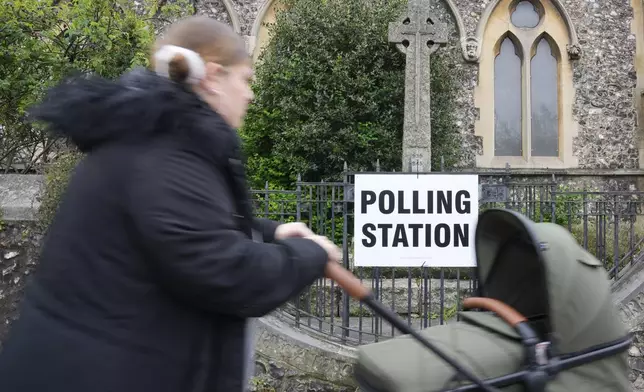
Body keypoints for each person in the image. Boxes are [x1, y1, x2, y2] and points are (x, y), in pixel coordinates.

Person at [0, 16, 341, 392]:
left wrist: (271, 231)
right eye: (245, 80)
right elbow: (227, 274)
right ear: (213, 76)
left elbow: (187, 227)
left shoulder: (159, 139)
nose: (250, 94)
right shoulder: (164, 154)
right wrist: (308, 255)